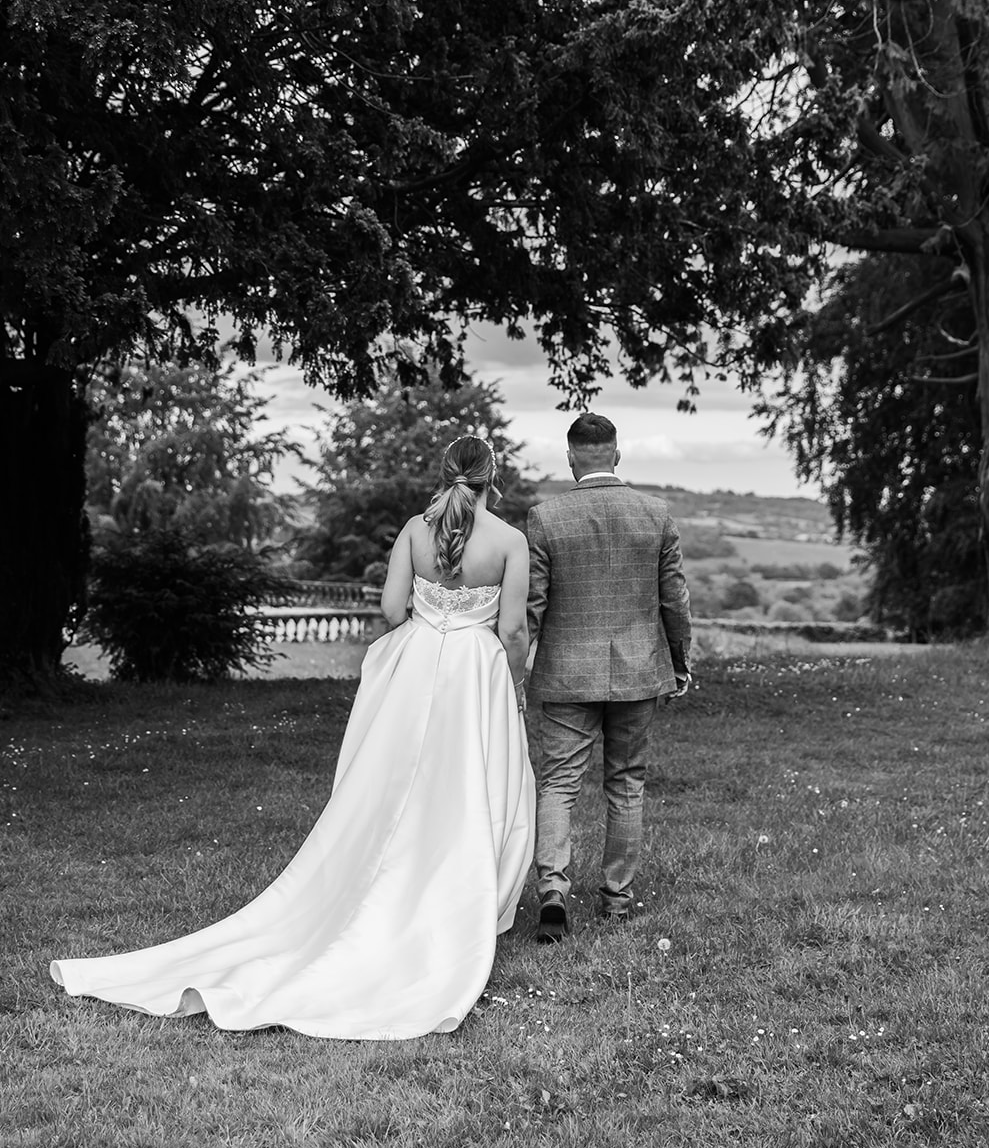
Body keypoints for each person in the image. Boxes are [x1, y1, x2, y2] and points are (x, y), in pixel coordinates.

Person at [51, 436, 535, 1039]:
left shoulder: (416, 528)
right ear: (496, 476)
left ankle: (385, 871)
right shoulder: (511, 542)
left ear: (444, 473)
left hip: (415, 668)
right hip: (474, 675)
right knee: (467, 784)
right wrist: (509, 681)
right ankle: (456, 896)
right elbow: (513, 629)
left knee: (390, 781)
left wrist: (431, 624)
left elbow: (391, 611)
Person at [526, 413, 691, 941]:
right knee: (626, 783)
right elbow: (675, 600)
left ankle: (553, 889)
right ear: (616, 455)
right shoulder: (655, 514)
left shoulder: (545, 518)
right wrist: (679, 658)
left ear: (571, 456)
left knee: (558, 784)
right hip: (640, 669)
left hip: (565, 673)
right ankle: (616, 899)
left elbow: (533, 605)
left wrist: (510, 662)